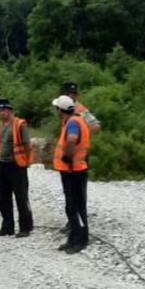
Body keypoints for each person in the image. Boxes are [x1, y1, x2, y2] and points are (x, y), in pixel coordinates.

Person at [52, 94, 91, 253]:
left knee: (76, 206)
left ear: (60, 110)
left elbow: (72, 139)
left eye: (56, 109)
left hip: (73, 170)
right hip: (74, 170)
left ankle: (80, 240)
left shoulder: (73, 122)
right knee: (72, 206)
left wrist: (67, 156)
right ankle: (73, 238)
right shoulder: (75, 120)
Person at [0, 98, 33, 238]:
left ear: (9, 109)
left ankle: (25, 227)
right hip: (2, 164)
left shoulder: (20, 124)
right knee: (2, 197)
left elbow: (27, 145)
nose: (0, 113)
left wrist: (27, 161)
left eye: (1, 110)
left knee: (21, 197)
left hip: (17, 165)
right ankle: (7, 226)